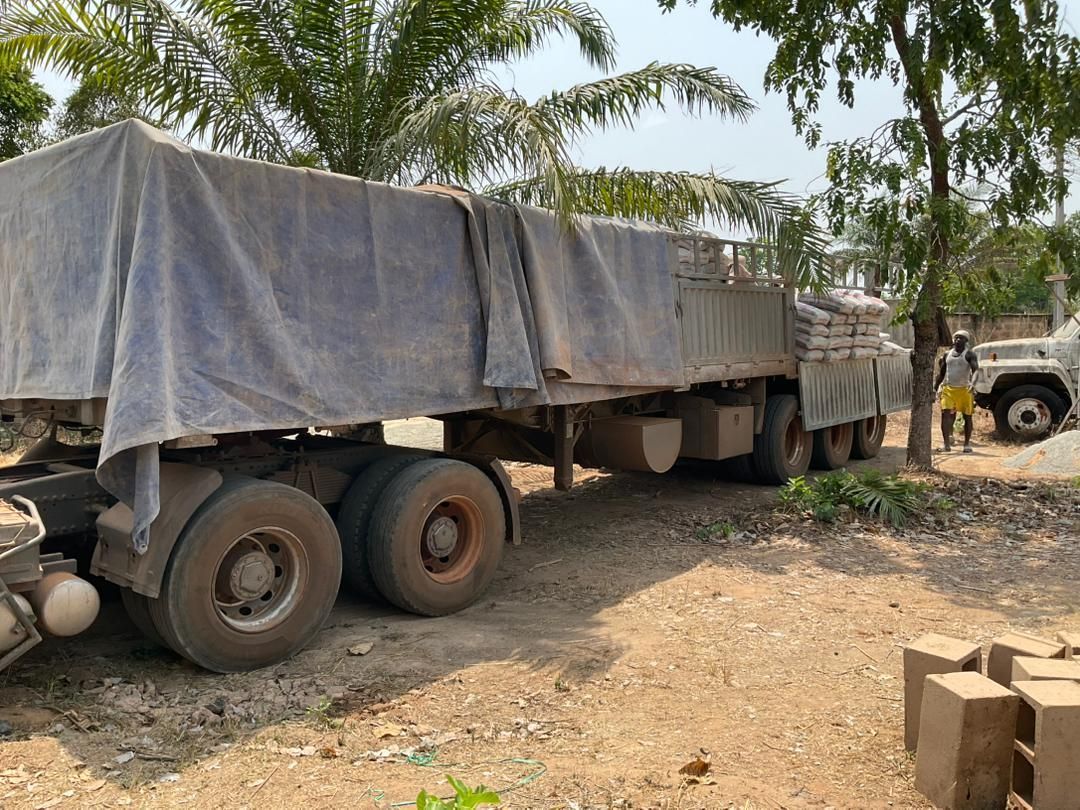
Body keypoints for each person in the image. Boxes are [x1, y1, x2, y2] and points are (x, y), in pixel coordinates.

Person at [934, 329, 979, 453]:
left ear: (966, 341)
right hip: (948, 389)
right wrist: (935, 387)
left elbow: (976, 371)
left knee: (967, 416)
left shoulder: (969, 354)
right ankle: (946, 444)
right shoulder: (947, 354)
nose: (958, 340)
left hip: (965, 389)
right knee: (945, 415)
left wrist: (973, 384)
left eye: (961, 338)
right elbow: (942, 373)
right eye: (956, 337)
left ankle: (966, 444)